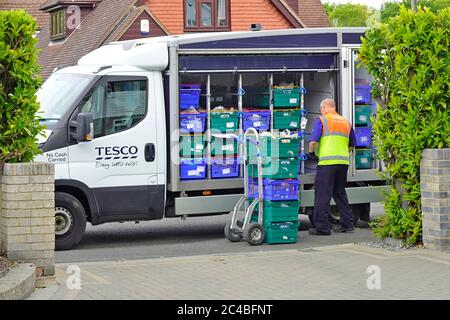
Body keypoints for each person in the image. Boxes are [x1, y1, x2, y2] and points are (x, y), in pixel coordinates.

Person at [307, 98, 356, 235]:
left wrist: (311, 154)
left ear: (324, 108)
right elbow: (352, 145)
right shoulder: (346, 122)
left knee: (323, 194)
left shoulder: (322, 120)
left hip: (327, 164)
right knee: (340, 193)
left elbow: (313, 141)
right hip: (343, 163)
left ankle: (322, 228)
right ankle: (348, 224)